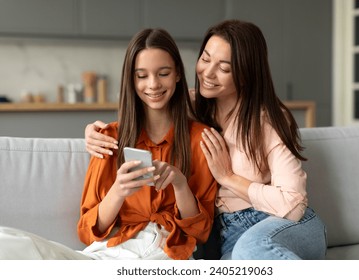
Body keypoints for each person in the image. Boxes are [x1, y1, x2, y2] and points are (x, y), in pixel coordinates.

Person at [84, 19, 327, 260]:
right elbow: (151, 102)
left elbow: (293, 206)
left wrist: (228, 178)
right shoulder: (191, 105)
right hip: (224, 235)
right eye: (206, 59)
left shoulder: (268, 119)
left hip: (279, 224)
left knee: (251, 250)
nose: (207, 74)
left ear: (246, 73)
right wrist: (93, 132)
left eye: (224, 68)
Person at [0, 28, 217, 260]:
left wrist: (180, 184)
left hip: (165, 254)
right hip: (109, 255)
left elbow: (200, 232)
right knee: (8, 242)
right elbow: (88, 231)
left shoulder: (201, 139)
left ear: (177, 75)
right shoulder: (108, 137)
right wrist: (119, 190)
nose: (153, 84)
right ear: (131, 80)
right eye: (141, 76)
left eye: (163, 73)